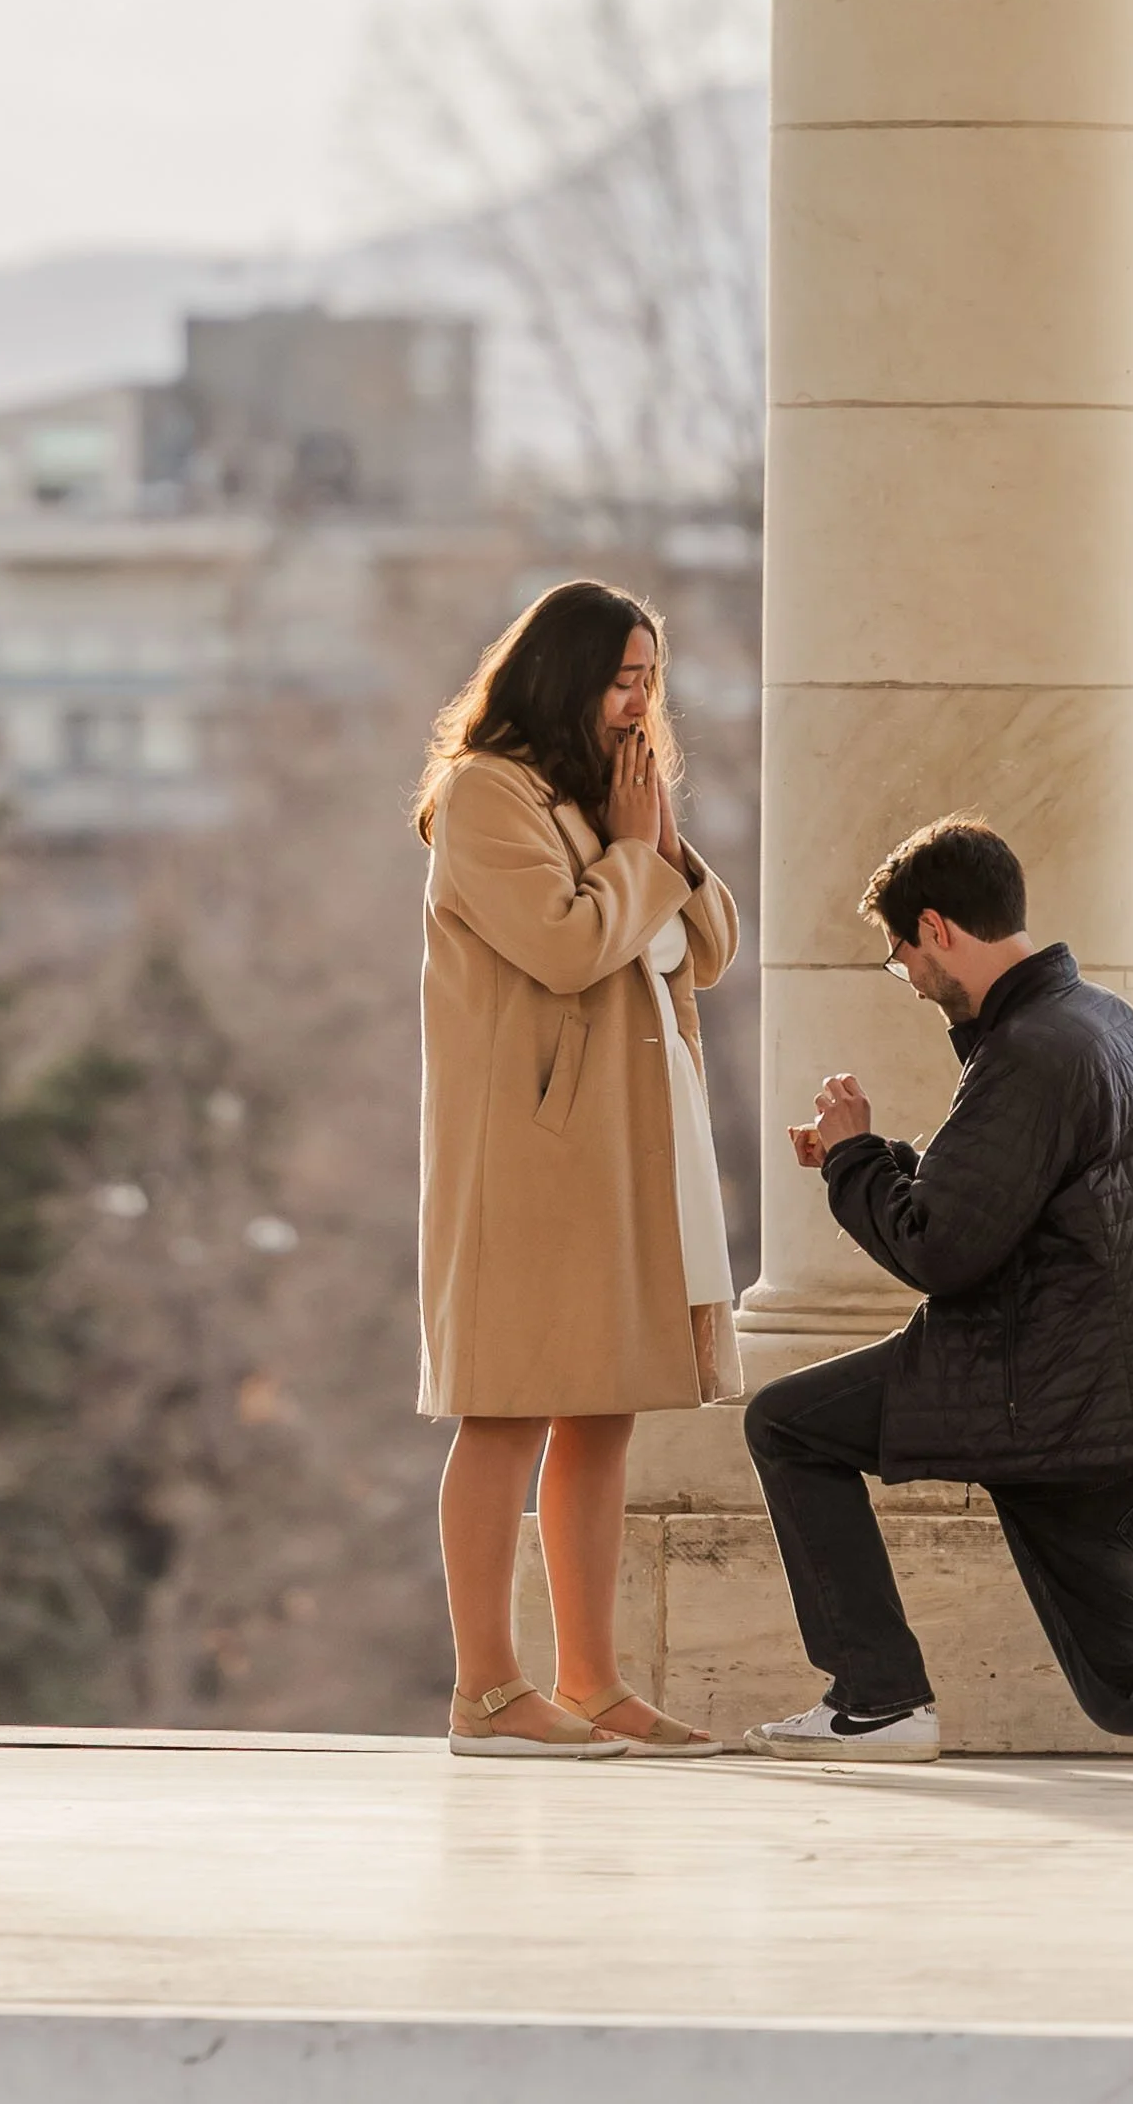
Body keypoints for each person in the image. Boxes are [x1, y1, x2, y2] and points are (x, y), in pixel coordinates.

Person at [741, 814, 1133, 1761]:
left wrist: (857, 1156)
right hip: (1129, 1410)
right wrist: (872, 1158)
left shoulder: (1029, 1049)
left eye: (902, 955)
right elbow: (1005, 1199)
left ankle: (878, 1697)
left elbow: (939, 1250)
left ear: (937, 928)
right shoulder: (1095, 1018)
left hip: (1063, 1405)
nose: (909, 978)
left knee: (786, 1424)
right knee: (1131, 1687)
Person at [417, 578, 739, 1758]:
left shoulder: (606, 802)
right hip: (528, 1152)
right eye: (619, 679)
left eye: (649, 679)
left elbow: (708, 947)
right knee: (505, 1405)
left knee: (603, 1407)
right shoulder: (484, 794)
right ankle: (486, 1690)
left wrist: (653, 841)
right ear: (562, 676)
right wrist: (636, 852)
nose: (639, 703)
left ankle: (593, 1682)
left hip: (626, 1137)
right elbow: (563, 947)